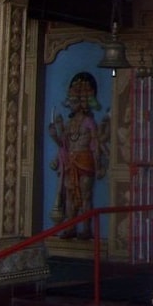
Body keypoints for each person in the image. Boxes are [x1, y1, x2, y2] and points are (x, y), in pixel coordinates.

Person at [48, 72, 103, 238]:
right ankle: (71, 227)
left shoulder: (89, 122)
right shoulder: (69, 123)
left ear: (82, 102)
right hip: (71, 163)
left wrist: (99, 164)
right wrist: (54, 135)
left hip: (85, 161)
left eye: (74, 101)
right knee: (69, 197)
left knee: (85, 196)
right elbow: (63, 145)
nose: (71, 104)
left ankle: (86, 229)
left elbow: (95, 145)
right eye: (70, 101)